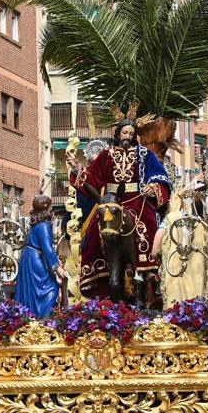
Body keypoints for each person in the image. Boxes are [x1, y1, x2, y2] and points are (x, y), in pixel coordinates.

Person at [70, 117, 171, 298]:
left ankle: (148, 278)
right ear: (118, 133)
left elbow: (160, 175)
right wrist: (78, 170)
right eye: (125, 132)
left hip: (137, 200)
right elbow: (93, 176)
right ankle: (100, 284)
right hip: (110, 201)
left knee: (146, 229)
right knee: (94, 234)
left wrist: (153, 187)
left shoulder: (144, 154)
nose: (128, 136)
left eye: (131, 134)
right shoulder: (107, 155)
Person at [14, 195, 65, 318]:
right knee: (51, 288)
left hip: (30, 258)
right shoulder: (44, 226)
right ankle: (43, 321)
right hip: (36, 259)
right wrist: (58, 269)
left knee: (32, 291)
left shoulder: (36, 226)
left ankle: (33, 318)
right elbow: (48, 250)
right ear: (47, 209)